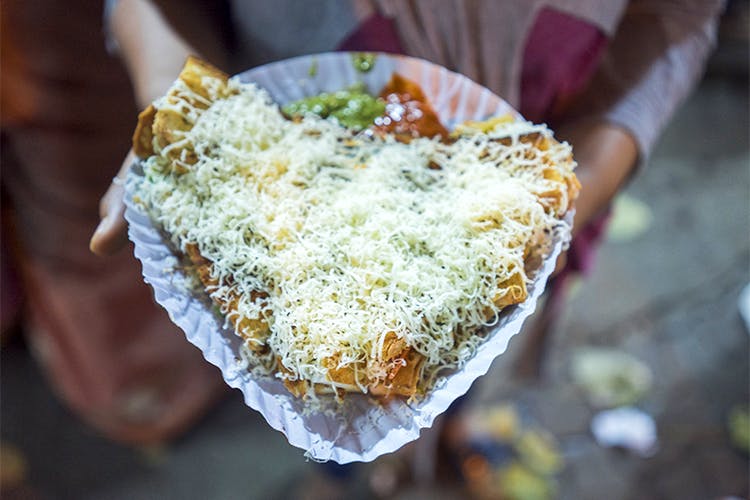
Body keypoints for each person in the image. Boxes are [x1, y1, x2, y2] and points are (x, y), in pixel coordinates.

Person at [6, 0, 724, 460]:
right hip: (287, 151)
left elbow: (678, 17)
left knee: (468, 361)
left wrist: (583, 175)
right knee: (337, 400)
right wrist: (178, 93)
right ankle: (359, 475)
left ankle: (447, 435)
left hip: (537, 144)